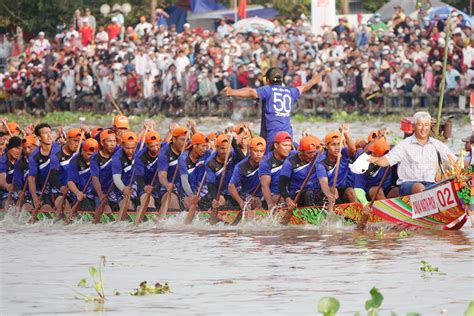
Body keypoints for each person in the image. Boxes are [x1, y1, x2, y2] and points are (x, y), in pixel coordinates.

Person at [223, 67, 322, 147]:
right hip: (288, 137)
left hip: (272, 138)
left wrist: (233, 92)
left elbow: (251, 92)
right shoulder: (291, 91)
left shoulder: (268, 90)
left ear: (268, 80)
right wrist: (314, 80)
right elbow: (304, 87)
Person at [369, 111, 456, 196]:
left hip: (430, 184)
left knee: (448, 187)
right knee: (420, 188)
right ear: (414, 127)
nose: (423, 128)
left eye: (426, 125)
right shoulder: (404, 145)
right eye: (420, 125)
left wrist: (468, 166)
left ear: (429, 127)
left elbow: (455, 161)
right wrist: (374, 160)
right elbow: (386, 160)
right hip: (408, 185)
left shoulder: (437, 145)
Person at [354, 138, 398, 213]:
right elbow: (358, 188)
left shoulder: (391, 153)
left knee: (400, 191)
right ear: (374, 154)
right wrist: (364, 203)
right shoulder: (362, 163)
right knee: (376, 190)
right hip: (370, 192)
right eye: (383, 156)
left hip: (387, 188)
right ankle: (389, 213)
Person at [316, 125, 357, 205]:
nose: (337, 147)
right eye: (333, 144)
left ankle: (359, 212)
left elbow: (353, 150)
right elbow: (323, 183)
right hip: (325, 190)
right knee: (332, 189)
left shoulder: (343, 153)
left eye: (339, 144)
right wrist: (328, 194)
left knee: (351, 192)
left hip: (342, 188)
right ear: (327, 146)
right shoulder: (321, 162)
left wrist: (345, 133)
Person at [279, 135, 321, 209]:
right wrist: (287, 199)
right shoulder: (289, 163)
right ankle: (311, 215)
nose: (312, 155)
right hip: (298, 193)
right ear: (301, 152)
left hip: (315, 191)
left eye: (314, 152)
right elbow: (281, 185)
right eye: (309, 153)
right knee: (308, 194)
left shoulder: (317, 155)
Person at [205, 133, 245, 210]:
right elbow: (211, 184)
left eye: (227, 148)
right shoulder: (210, 162)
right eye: (222, 148)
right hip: (221, 191)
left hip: (235, 190)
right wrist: (215, 198)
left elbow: (244, 161)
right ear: (217, 147)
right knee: (220, 200)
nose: (225, 151)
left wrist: (234, 144)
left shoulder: (233, 154)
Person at [26, 123, 60, 211]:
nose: (49, 136)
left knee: (50, 207)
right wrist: (35, 199)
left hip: (59, 189)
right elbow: (31, 178)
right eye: (45, 133)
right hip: (42, 190)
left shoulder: (59, 150)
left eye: (50, 132)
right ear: (39, 138)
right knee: (32, 207)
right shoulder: (34, 156)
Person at [228, 136, 266, 210]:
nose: (258, 154)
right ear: (250, 150)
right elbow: (231, 186)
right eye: (256, 151)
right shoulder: (241, 167)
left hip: (264, 194)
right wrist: (241, 202)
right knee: (256, 202)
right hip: (247, 196)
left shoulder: (267, 163)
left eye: (261, 151)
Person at [259, 131, 293, 210]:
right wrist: (270, 204)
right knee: (282, 199)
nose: (287, 148)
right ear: (276, 145)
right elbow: (265, 185)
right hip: (272, 196)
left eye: (289, 146)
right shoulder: (266, 162)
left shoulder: (292, 155)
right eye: (284, 145)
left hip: (287, 193)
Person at [51, 128, 83, 213]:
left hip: (75, 191)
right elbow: (53, 176)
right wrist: (61, 187)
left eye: (78, 141)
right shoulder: (56, 157)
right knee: (61, 200)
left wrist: (87, 134)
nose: (77, 144)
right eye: (75, 141)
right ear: (67, 139)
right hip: (60, 191)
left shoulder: (80, 154)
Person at [157, 126, 188, 211]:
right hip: (168, 189)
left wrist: (193, 128)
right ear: (174, 139)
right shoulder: (164, 153)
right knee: (173, 201)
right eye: (182, 140)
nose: (185, 143)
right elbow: (162, 175)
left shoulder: (189, 148)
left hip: (185, 189)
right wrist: (167, 184)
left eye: (187, 140)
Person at [179, 132, 211, 209]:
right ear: (194, 146)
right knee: (189, 203)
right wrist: (191, 195)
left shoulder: (208, 154)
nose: (205, 149)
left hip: (203, 192)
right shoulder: (183, 158)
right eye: (202, 146)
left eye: (206, 146)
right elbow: (184, 180)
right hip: (187, 193)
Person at [67, 138, 99, 212]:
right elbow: (70, 182)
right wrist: (77, 192)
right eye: (88, 154)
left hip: (96, 195)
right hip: (82, 196)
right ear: (83, 151)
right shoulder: (75, 160)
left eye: (93, 155)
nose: (91, 157)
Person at [90, 129, 117, 212]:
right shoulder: (95, 158)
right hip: (101, 193)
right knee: (108, 213)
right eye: (109, 141)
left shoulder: (118, 152)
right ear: (102, 143)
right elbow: (95, 178)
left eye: (114, 141)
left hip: (115, 192)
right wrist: (100, 195)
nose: (112, 144)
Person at [135, 130, 162, 213]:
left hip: (160, 188)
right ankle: (142, 208)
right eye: (152, 146)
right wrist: (145, 187)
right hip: (145, 188)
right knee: (150, 206)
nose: (155, 148)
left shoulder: (165, 150)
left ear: (160, 142)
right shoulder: (140, 156)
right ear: (146, 145)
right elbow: (139, 177)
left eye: (157, 145)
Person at [111, 131, 139, 211]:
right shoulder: (117, 158)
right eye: (127, 148)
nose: (130, 151)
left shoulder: (139, 150)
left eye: (133, 148)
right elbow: (116, 179)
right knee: (129, 208)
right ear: (122, 145)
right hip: (121, 191)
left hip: (135, 188)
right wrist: (124, 189)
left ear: (136, 145)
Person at [12, 135, 37, 206]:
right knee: (26, 205)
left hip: (43, 191)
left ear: (35, 146)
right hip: (27, 192)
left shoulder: (42, 159)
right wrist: (19, 191)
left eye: (30, 147)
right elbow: (17, 181)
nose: (27, 151)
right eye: (24, 148)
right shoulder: (20, 163)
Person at [0, 136, 22, 208]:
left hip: (18, 192)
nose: (18, 151)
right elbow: (2, 181)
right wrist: (7, 186)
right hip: (4, 194)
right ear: (9, 148)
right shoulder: (2, 161)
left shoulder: (21, 160)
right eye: (15, 148)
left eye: (19, 148)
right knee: (9, 204)